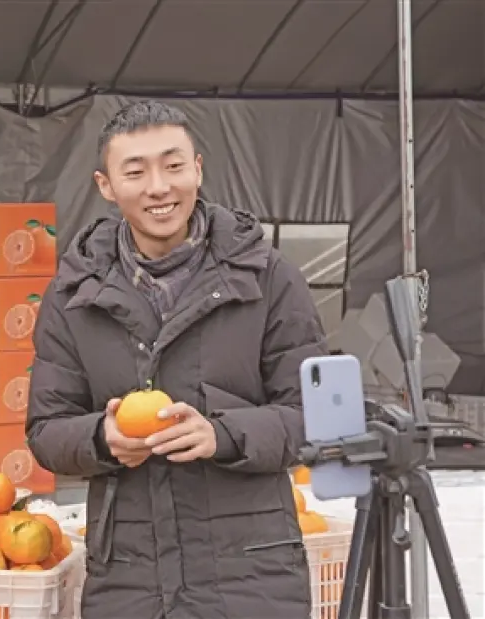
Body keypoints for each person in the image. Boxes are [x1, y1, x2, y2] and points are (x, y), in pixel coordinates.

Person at [26, 100, 328, 619]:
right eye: (135, 172)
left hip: (251, 576)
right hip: (130, 579)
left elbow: (316, 417)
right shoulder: (73, 294)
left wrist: (223, 434)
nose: (159, 188)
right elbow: (46, 428)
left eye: (173, 165)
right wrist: (102, 437)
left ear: (198, 169)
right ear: (106, 185)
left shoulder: (267, 278)